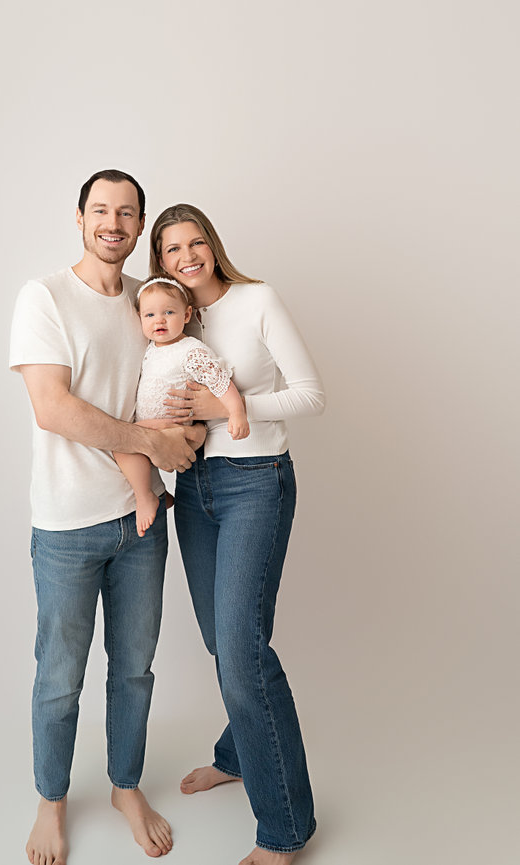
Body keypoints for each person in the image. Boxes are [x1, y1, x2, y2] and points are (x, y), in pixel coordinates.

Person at [9, 171, 204, 865]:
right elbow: (52, 409)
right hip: (65, 527)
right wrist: (152, 443)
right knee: (60, 675)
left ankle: (126, 785)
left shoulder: (145, 302)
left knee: (134, 670)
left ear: (139, 223)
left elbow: (172, 376)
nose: (113, 222)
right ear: (80, 218)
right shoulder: (45, 296)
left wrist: (195, 422)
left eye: (127, 212)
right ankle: (52, 801)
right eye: (101, 210)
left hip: (141, 523)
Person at [149, 203, 325, 865]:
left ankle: (283, 829)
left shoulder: (256, 301)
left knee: (244, 651)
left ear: (212, 245)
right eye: (172, 249)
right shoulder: (166, 319)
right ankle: (238, 754)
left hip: (258, 482)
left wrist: (224, 408)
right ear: (160, 262)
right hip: (195, 488)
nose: (187, 256)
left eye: (196, 242)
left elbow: (311, 393)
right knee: (225, 642)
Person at [114, 275, 248, 536]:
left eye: (168, 312)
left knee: (123, 443)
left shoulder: (191, 350)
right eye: (150, 315)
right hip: (158, 427)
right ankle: (158, 493)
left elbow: (220, 381)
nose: (159, 320)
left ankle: (146, 497)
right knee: (127, 443)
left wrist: (237, 412)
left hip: (175, 427)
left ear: (187, 315)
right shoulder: (151, 348)